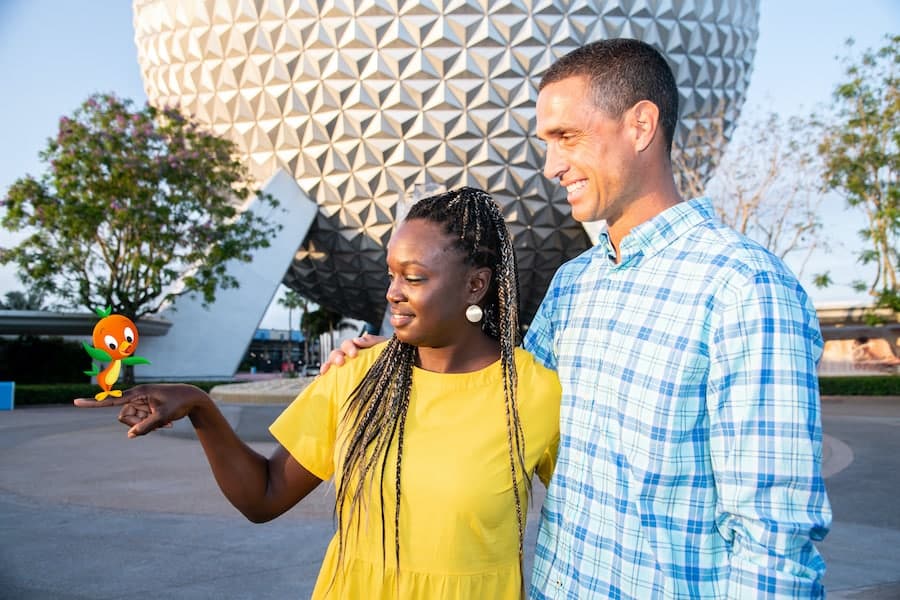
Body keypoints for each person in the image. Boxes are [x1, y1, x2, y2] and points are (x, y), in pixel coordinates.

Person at [323, 39, 832, 598]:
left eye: (567, 137)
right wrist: (391, 352)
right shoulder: (574, 284)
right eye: (546, 142)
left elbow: (774, 538)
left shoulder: (744, 288)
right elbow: (494, 393)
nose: (551, 165)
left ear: (640, 125)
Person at [76, 187, 561, 599]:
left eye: (413, 277)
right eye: (390, 273)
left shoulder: (536, 392)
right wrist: (201, 407)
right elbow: (263, 496)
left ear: (475, 285)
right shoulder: (356, 375)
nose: (392, 291)